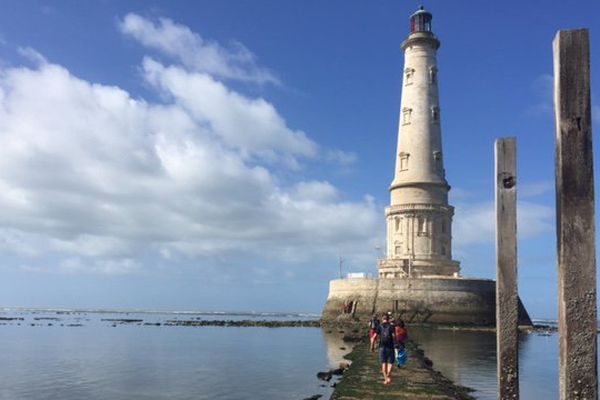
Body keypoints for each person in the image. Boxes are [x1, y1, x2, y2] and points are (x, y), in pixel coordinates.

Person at [376, 314, 396, 385]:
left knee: (383, 363)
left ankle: (386, 379)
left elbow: (375, 336)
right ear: (388, 319)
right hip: (390, 346)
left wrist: (373, 345)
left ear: (382, 319)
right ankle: (388, 376)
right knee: (390, 363)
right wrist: (395, 343)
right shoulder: (391, 326)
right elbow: (393, 336)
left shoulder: (379, 326)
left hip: (382, 346)